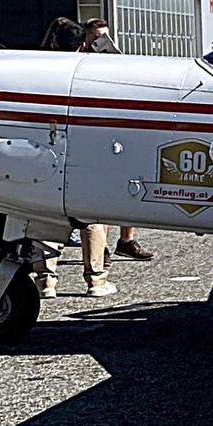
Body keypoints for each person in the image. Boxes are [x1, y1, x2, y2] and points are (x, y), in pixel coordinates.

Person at [33, 15, 116, 296]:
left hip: (43, 147)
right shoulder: (88, 69)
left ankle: (46, 281)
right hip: (84, 148)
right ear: (82, 44)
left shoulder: (37, 69)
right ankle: (96, 280)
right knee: (91, 217)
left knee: (45, 215)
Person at [77, 17, 154, 261]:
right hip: (91, 129)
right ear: (88, 36)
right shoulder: (77, 57)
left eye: (106, 36)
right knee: (100, 188)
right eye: (98, 36)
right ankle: (101, 248)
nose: (102, 40)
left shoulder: (111, 59)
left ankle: (126, 239)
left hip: (115, 125)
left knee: (128, 182)